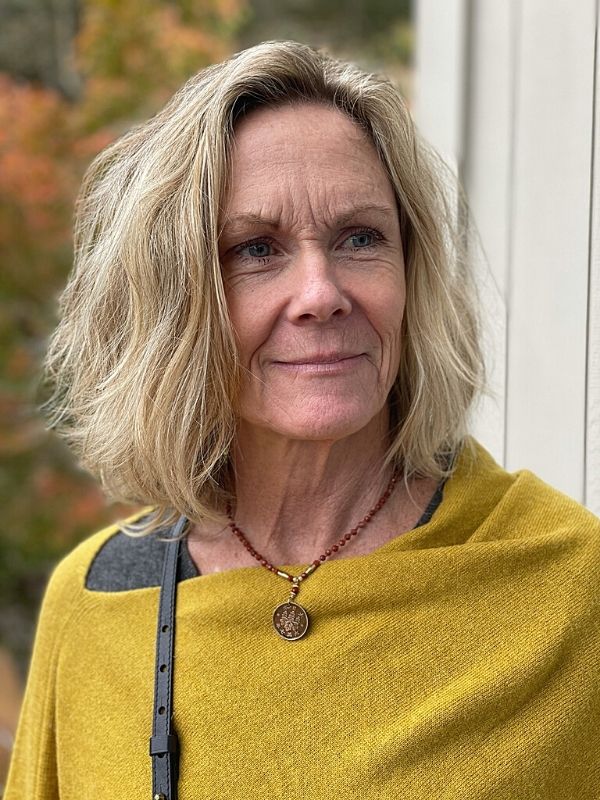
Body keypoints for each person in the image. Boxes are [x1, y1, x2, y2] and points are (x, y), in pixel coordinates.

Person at [5, 40, 600, 800]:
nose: (321, 292)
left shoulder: (569, 587)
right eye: (256, 249)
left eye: (360, 237)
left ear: (412, 271)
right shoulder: (96, 601)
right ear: (173, 304)